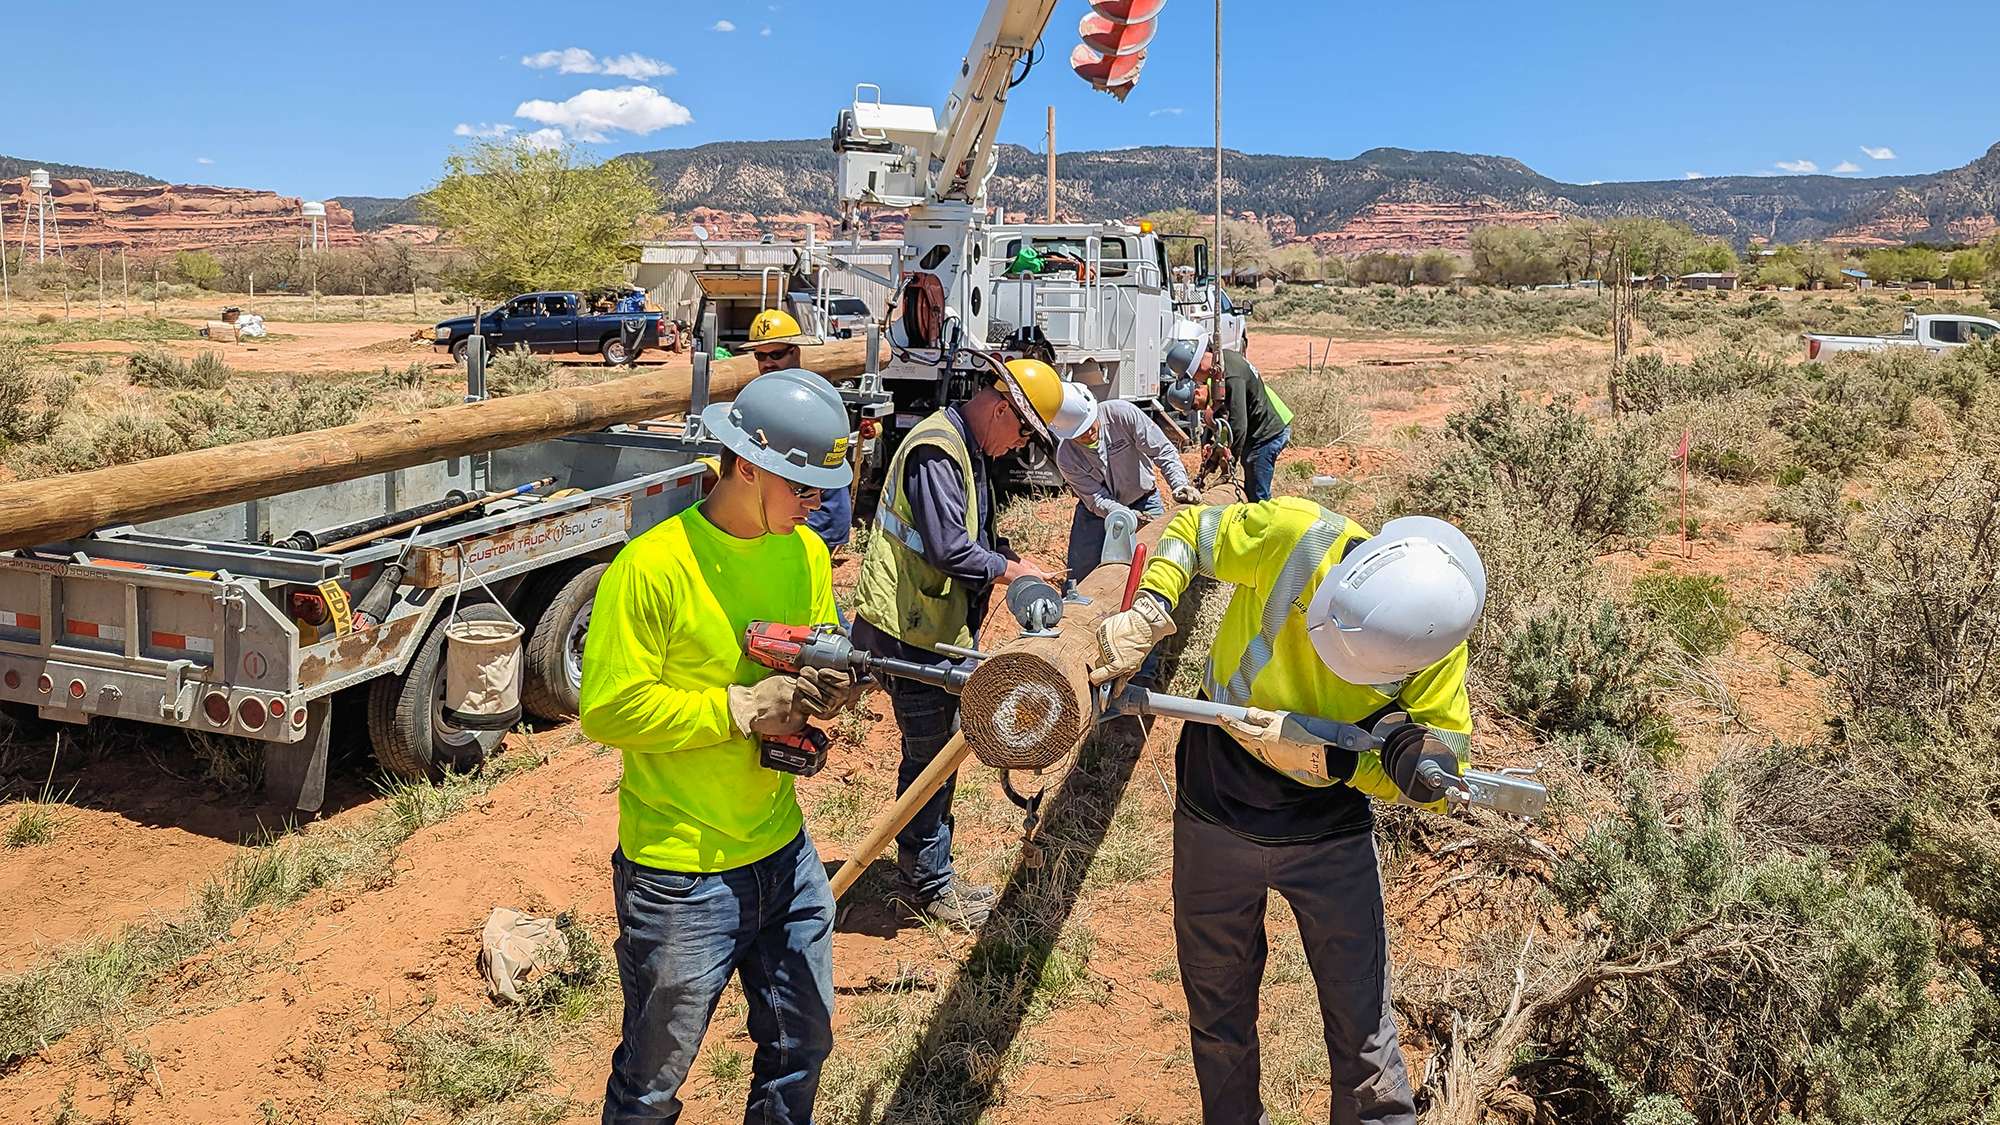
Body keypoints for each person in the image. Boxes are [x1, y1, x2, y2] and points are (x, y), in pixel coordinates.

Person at [1091, 500, 1487, 1125]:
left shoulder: (1430, 634)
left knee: (1364, 1035)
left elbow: (1444, 760)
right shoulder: (1298, 538)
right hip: (1217, 799)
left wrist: (1345, 764)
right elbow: (1192, 529)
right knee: (1219, 1013)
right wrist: (1153, 605)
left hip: (1327, 831)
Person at [581, 368, 864, 1125]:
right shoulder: (653, 566)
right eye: (802, 488)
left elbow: (811, 649)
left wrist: (825, 690)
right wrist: (738, 708)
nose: (814, 506)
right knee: (651, 1084)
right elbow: (607, 709)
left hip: (782, 851)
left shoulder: (802, 553)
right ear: (747, 464)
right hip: (680, 872)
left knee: (801, 1043)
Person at [849, 357, 1066, 927]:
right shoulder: (938, 449)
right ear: (1000, 410)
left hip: (931, 627)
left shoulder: (964, 446)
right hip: (906, 628)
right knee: (930, 758)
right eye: (1021, 433)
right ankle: (926, 885)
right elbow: (948, 549)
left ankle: (927, 870)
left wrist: (1008, 558)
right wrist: (1008, 571)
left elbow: (967, 534)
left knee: (938, 750)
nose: (1017, 448)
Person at [1047, 380, 1202, 603]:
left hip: (1144, 501)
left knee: (1161, 559)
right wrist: (1125, 515)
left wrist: (1179, 484)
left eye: (1090, 425)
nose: (1089, 433)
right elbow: (1096, 498)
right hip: (1096, 514)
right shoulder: (1066, 457)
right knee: (1080, 574)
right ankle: (1076, 611)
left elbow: (1162, 450)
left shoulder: (1122, 414)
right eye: (1080, 434)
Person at [743, 309, 856, 550]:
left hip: (815, 515)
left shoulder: (807, 399)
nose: (767, 363)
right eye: (760, 356)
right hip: (795, 515)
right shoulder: (774, 393)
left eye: (776, 354)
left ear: (795, 351)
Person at [1167, 338, 1293, 502]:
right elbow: (1221, 422)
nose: (1196, 381)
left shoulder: (1229, 375)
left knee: (1257, 487)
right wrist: (1211, 456)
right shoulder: (1219, 369)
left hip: (1268, 430)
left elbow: (1238, 424)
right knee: (1250, 470)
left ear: (1197, 367)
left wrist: (1230, 460)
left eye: (1193, 377)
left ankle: (1265, 521)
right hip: (1260, 426)